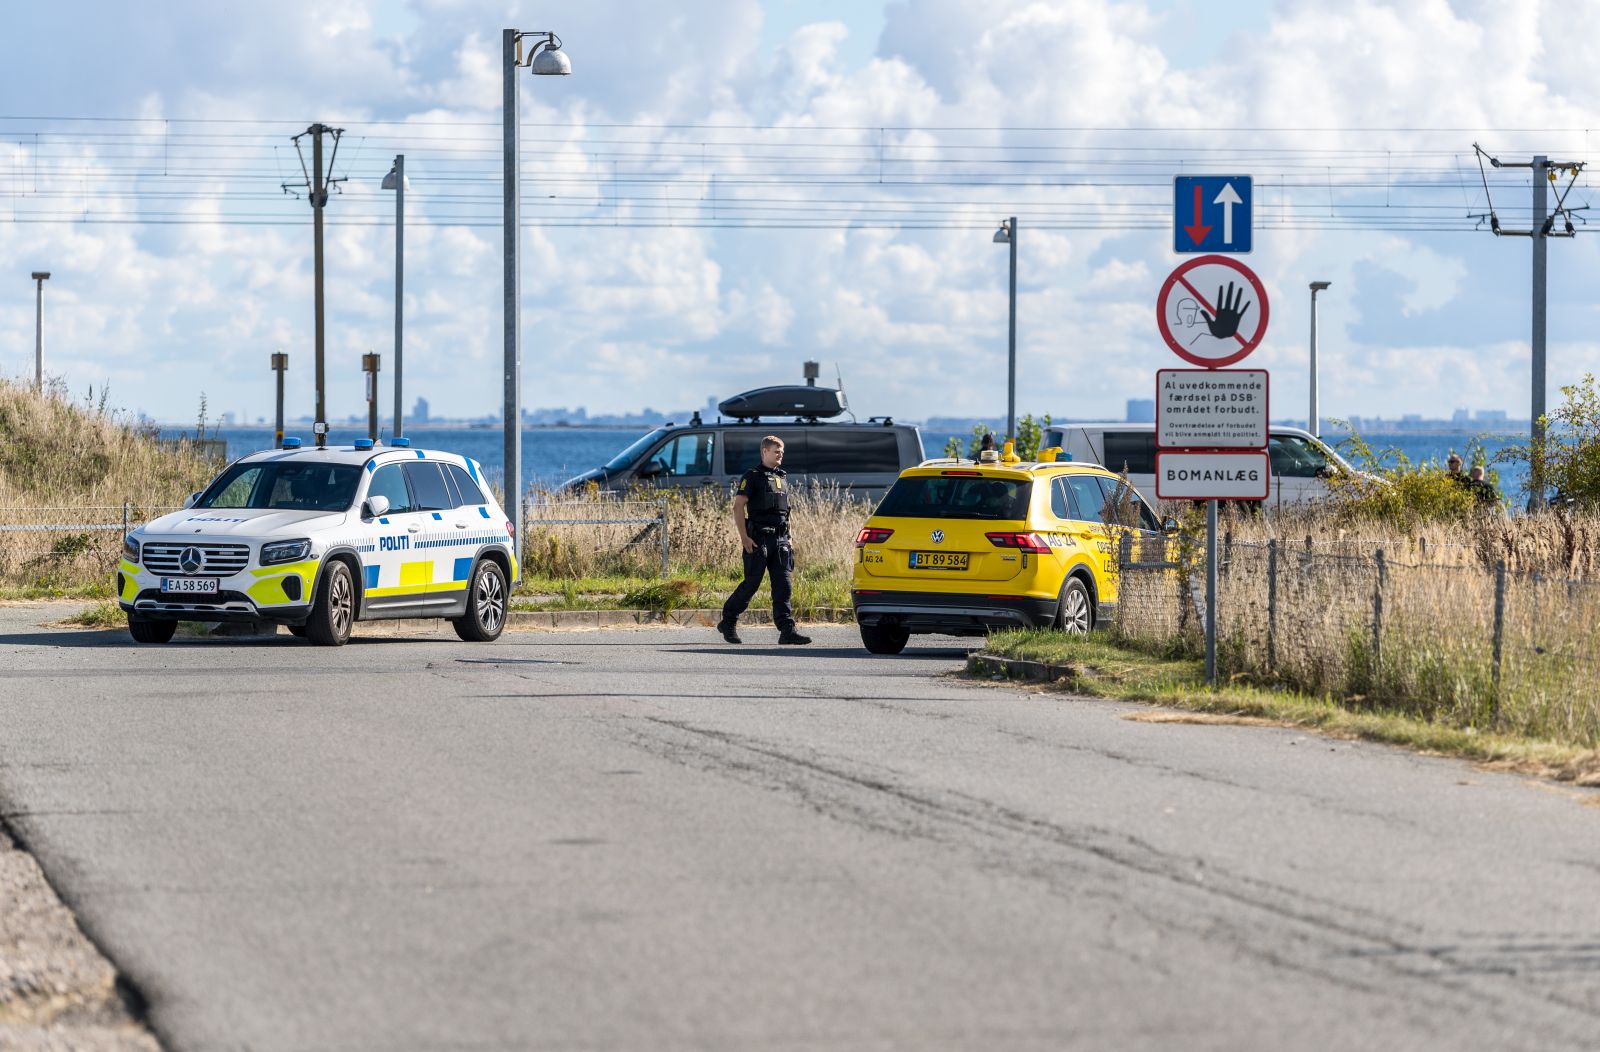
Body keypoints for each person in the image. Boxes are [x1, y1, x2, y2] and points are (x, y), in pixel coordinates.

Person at [718, 436, 811, 645]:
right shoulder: (752, 476)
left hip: (780, 540)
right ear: (764, 452)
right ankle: (728, 621)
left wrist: (789, 538)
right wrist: (744, 538)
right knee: (751, 584)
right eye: (776, 451)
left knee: (784, 586)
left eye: (782, 452)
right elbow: (737, 506)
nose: (780, 455)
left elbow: (784, 511)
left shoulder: (782, 476)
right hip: (758, 539)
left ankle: (787, 630)